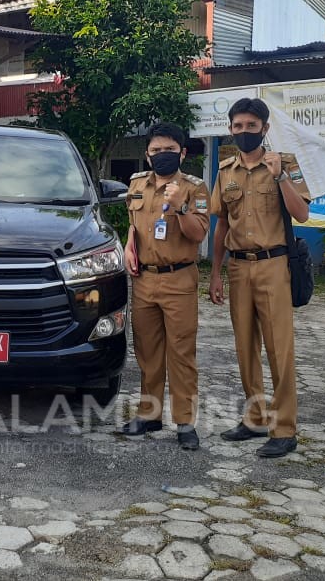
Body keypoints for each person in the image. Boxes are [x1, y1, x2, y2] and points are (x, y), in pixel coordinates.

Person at [208, 98, 311, 459]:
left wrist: (280, 176)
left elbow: (303, 213)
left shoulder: (285, 164)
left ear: (265, 129)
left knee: (279, 349)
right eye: (238, 127)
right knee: (245, 347)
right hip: (238, 268)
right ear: (231, 130)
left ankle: (284, 429)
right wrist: (216, 274)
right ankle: (254, 418)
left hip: (274, 266)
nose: (244, 132)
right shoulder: (225, 172)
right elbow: (221, 223)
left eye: (251, 126)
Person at [118, 123, 210, 450]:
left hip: (179, 279)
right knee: (148, 352)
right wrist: (130, 247)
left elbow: (198, 233)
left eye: (169, 150)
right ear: (147, 154)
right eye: (156, 151)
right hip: (144, 281)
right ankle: (149, 414)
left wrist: (182, 205)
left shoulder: (195, 188)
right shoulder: (137, 184)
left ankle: (185, 422)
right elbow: (135, 225)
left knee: (181, 353)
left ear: (182, 153)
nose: (162, 155)